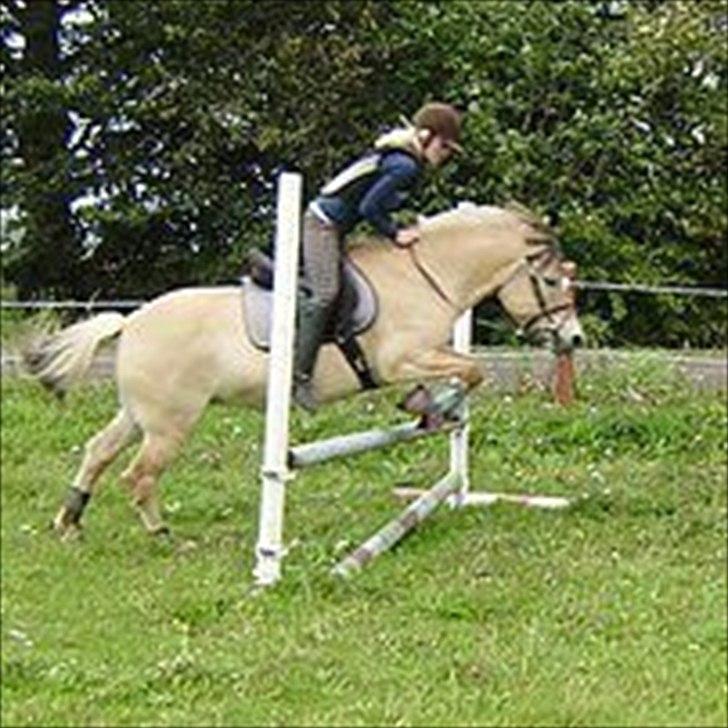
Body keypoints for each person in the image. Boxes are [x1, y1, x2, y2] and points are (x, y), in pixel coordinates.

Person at [293, 101, 463, 412]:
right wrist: (395, 233)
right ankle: (298, 377)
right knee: (325, 293)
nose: (446, 154)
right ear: (425, 137)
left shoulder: (403, 160)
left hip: (339, 227)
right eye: (444, 146)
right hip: (323, 224)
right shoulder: (405, 166)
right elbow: (369, 208)